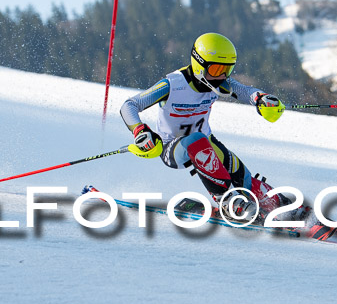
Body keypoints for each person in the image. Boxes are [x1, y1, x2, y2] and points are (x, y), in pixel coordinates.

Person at [120, 32, 300, 222]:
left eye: (227, 70)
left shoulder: (220, 84)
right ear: (199, 64)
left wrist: (260, 98)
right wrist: (140, 130)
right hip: (172, 148)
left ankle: (281, 207)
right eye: (215, 70)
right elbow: (129, 106)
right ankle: (228, 203)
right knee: (196, 140)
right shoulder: (173, 84)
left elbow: (246, 91)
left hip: (207, 143)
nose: (221, 76)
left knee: (242, 176)